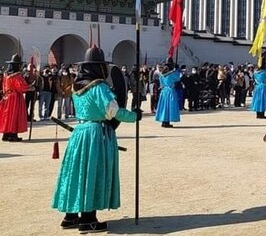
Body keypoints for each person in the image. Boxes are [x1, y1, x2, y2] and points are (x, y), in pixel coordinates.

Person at [51, 45, 139, 233]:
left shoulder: (76, 87)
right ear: (99, 67)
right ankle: (88, 219)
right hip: (96, 134)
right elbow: (112, 112)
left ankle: (71, 216)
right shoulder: (99, 86)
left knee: (76, 173)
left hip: (79, 133)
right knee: (92, 172)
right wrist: (134, 116)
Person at [0, 54, 32, 142]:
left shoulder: (6, 75)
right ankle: (13, 135)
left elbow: (3, 87)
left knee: (7, 116)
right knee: (14, 116)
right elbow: (21, 87)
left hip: (7, 97)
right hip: (15, 98)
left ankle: (6, 134)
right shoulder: (17, 76)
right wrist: (30, 87)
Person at [155, 57, 181, 127]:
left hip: (164, 91)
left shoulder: (161, 74)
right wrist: (177, 70)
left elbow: (161, 83)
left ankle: (163, 121)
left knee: (164, 107)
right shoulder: (172, 73)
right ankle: (167, 122)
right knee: (169, 107)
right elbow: (178, 78)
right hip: (170, 91)